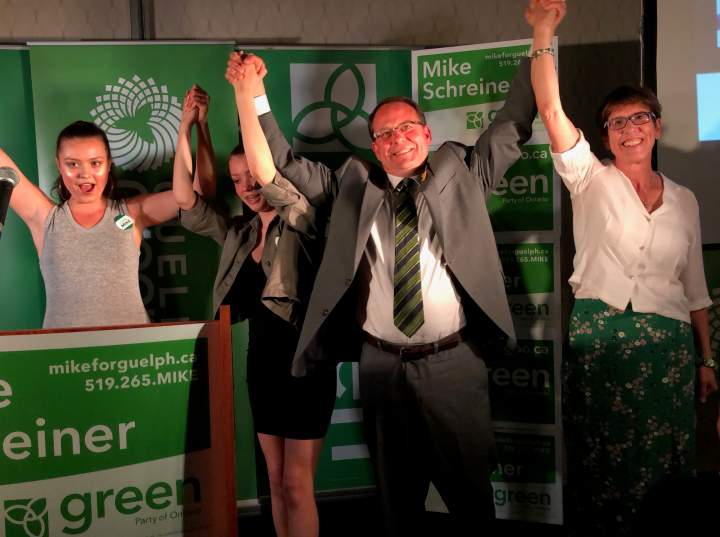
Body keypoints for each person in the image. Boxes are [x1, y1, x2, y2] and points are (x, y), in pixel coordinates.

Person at [226, 43, 536, 536]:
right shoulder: (350, 186)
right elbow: (281, 163)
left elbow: (514, 120)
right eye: (385, 134)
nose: (397, 139)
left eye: (407, 128)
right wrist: (253, 94)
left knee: (469, 496)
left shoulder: (465, 172)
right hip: (381, 367)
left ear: (427, 134)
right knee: (397, 499)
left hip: (453, 363)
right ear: (374, 147)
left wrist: (540, 38)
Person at [525, 1, 719, 535]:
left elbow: (695, 289)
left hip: (667, 347)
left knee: (664, 462)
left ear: (657, 126)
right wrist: (543, 30)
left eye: (640, 118)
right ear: (605, 134)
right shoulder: (589, 177)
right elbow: (550, 110)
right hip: (601, 338)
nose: (629, 129)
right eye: (617, 122)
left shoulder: (685, 199)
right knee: (601, 460)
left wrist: (706, 359)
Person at [173, 79, 335, 537]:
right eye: (237, 180)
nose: (247, 187)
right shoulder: (239, 235)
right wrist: (186, 125)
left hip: (306, 367)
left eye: (253, 176)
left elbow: (272, 180)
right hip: (261, 366)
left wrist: (246, 95)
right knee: (276, 484)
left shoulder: (303, 219)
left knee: (298, 486)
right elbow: (185, 201)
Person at [0, 117, 185, 328]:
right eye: (72, 164)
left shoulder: (132, 214)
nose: (84, 174)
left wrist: (189, 126)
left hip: (133, 346)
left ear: (108, 164)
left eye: (95, 163)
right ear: (59, 165)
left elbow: (193, 194)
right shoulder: (45, 219)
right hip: (62, 348)